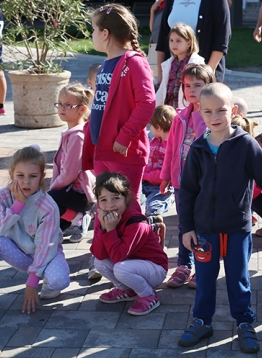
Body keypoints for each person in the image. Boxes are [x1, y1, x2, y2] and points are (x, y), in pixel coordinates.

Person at [177, 83, 262, 353]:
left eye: (221, 110)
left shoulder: (246, 145)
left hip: (237, 229)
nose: (215, 117)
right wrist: (186, 228)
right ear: (200, 113)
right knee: (205, 280)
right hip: (204, 231)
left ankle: (244, 323)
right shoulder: (198, 149)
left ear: (232, 111)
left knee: (238, 280)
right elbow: (187, 192)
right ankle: (202, 321)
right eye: (208, 112)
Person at [0, 146, 70, 314]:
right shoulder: (3, 196)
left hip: (46, 254)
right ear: (11, 175)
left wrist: (33, 281)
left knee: (59, 281)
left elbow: (46, 245)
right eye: (20, 175)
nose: (26, 181)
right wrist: (18, 205)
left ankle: (48, 283)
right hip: (19, 254)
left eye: (33, 176)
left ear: (42, 177)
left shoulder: (48, 206)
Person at [82, 4, 156, 214]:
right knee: (105, 207)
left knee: (127, 208)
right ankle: (106, 246)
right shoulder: (106, 64)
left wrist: (124, 137)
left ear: (105, 34)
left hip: (124, 152)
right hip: (102, 149)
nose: (92, 34)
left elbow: (147, 103)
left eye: (94, 29)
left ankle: (134, 245)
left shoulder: (134, 63)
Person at [159, 64, 213, 289]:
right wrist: (165, 176)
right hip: (182, 183)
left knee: (204, 226)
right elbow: (171, 149)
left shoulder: (212, 117)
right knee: (184, 224)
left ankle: (204, 268)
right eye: (187, 86)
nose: (191, 90)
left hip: (204, 184)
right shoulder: (180, 117)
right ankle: (183, 264)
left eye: (198, 86)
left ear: (210, 87)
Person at [91, 172, 168, 316]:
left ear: (126, 198)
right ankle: (127, 290)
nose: (110, 205)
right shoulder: (103, 218)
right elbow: (99, 253)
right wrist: (103, 228)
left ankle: (149, 295)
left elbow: (119, 256)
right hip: (131, 265)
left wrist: (111, 229)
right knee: (99, 262)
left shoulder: (136, 222)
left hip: (154, 269)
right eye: (104, 200)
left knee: (121, 268)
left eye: (116, 198)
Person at [49, 84, 96, 243]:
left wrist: (53, 188)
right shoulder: (73, 133)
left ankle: (80, 218)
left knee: (47, 200)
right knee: (51, 206)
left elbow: (70, 172)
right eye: (60, 104)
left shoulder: (77, 136)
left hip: (81, 194)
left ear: (82, 109)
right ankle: (54, 231)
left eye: (68, 105)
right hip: (73, 190)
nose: (62, 108)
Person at [155, 23, 205, 108]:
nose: (174, 44)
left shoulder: (195, 63)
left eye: (178, 41)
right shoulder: (169, 63)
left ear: (188, 43)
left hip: (185, 108)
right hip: (169, 108)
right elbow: (163, 88)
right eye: (171, 40)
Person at [149, 0, 182, 82]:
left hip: (170, 49)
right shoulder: (161, 4)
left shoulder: (178, 3)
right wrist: (153, 11)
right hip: (157, 47)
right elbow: (153, 29)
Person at [142, 105, 176, 219]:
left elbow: (164, 175)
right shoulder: (153, 141)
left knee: (152, 208)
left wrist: (144, 175)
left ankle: (169, 198)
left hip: (161, 187)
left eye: (151, 125)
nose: (149, 128)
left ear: (158, 127)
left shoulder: (172, 147)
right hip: (146, 183)